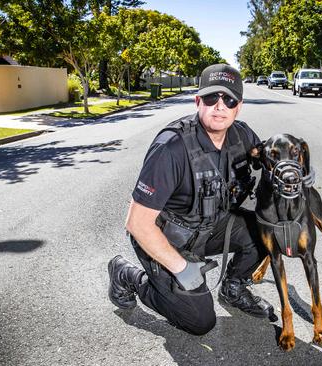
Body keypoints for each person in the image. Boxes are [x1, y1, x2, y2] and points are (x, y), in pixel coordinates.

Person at [108, 64, 273, 336]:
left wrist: (296, 168)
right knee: (199, 322)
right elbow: (137, 223)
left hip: (210, 225)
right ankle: (128, 276)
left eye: (229, 99)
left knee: (268, 231)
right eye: (211, 98)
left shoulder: (242, 135)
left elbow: (268, 157)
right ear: (198, 101)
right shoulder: (171, 147)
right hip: (166, 236)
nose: (220, 106)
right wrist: (182, 268)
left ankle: (233, 287)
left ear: (238, 106)